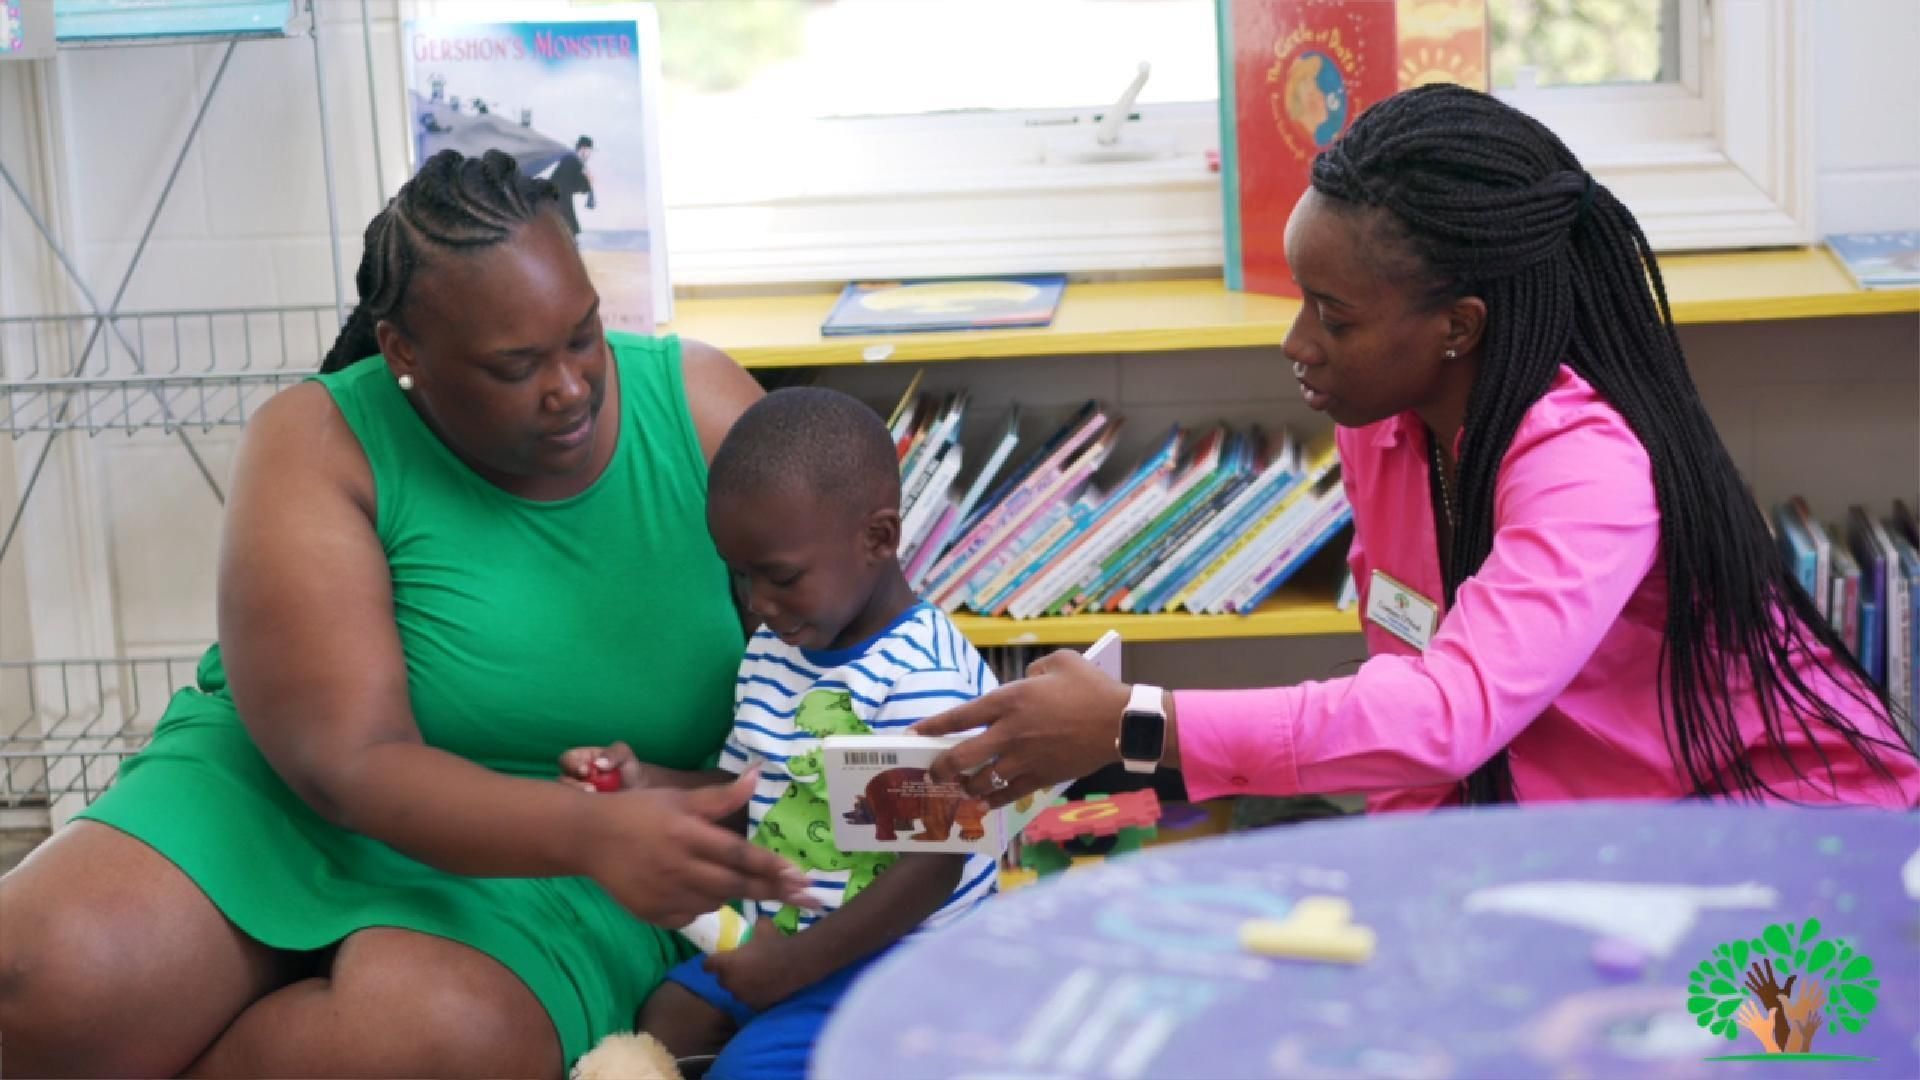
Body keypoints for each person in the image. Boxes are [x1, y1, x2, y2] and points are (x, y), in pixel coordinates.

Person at [0, 149, 816, 1078]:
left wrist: (656, 808)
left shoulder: (703, 413)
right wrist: (590, 829)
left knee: (424, 1039)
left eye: (583, 335)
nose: (571, 385)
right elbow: (350, 764)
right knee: (41, 971)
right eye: (517, 365)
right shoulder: (317, 440)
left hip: (584, 845)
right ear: (403, 355)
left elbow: (854, 650)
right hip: (281, 798)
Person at [916, 84, 1920, 813]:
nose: (1294, 346)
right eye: (1296, 301)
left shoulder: (1587, 468)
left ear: (1459, 326)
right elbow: (1414, 693)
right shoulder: (1384, 426)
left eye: (1334, 317)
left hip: (1783, 841)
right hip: (1588, 825)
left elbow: (1450, 712)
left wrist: (1140, 724)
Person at [563, 386, 1000, 1079]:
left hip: (901, 953)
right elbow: (745, 793)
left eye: (781, 577)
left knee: (748, 1070)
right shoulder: (776, 649)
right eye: (739, 577)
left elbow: (931, 868)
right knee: (664, 1023)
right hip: (790, 934)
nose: (757, 604)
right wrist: (645, 784)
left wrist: (795, 968)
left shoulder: (920, 676)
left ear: (878, 538)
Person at [550, 135, 596, 235]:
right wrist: (587, 180)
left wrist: (586, 181)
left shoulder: (572, 160)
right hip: (558, 202)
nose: (590, 154)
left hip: (558, 201)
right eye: (589, 150)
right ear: (583, 149)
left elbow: (574, 185)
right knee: (569, 230)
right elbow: (571, 185)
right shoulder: (572, 160)